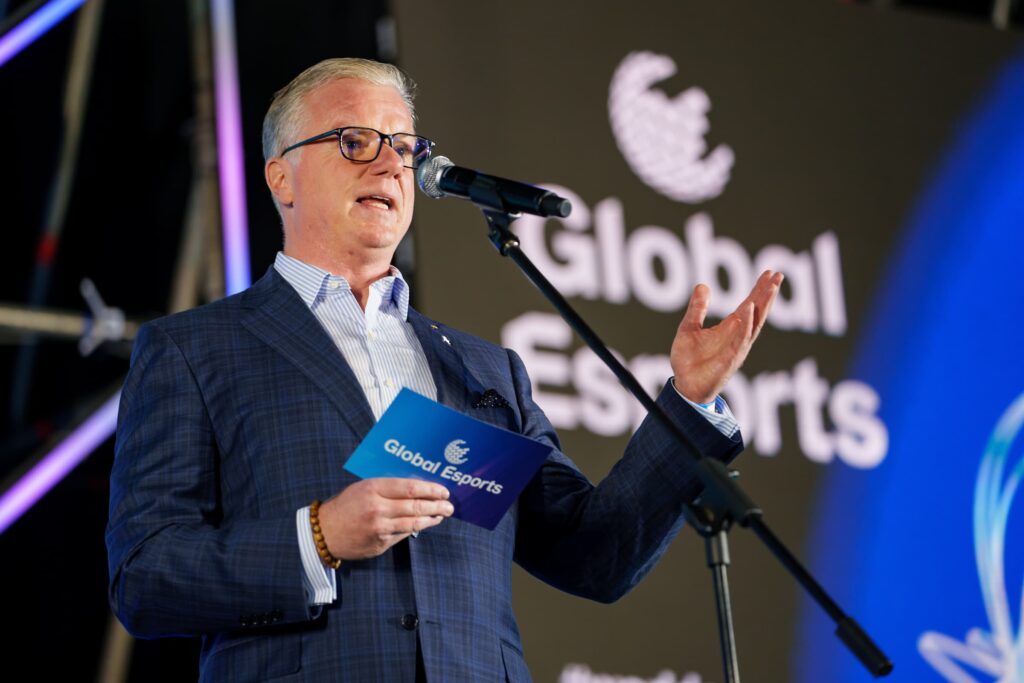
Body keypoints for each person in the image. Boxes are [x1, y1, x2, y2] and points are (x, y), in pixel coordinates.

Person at [106, 57, 782, 682]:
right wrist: (318, 537)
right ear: (281, 175)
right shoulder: (195, 348)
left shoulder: (486, 368)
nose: (388, 167)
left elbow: (592, 553)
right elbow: (145, 577)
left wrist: (688, 400)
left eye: (403, 147)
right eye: (353, 141)